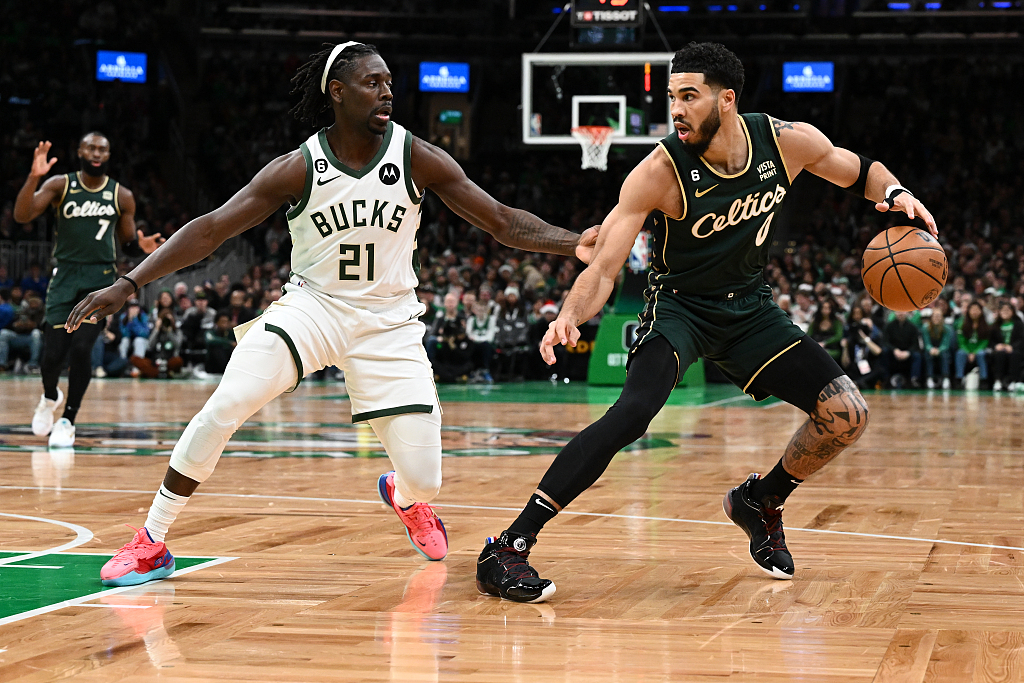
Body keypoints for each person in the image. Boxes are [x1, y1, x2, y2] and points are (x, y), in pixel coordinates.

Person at [65, 42, 595, 587]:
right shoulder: (298, 167)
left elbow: (502, 221)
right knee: (226, 403)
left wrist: (574, 242)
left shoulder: (417, 156)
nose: (387, 91)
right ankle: (152, 541)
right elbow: (211, 229)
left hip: (389, 320)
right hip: (312, 308)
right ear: (337, 93)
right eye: (372, 83)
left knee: (427, 480)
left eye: (390, 81)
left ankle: (406, 498)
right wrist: (129, 284)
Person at [475, 41, 937, 603]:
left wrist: (896, 192)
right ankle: (509, 544)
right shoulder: (657, 172)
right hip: (680, 309)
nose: (676, 109)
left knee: (846, 415)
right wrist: (569, 315)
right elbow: (603, 267)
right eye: (671, 97)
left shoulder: (786, 142)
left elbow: (858, 170)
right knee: (632, 414)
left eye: (688, 96)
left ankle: (761, 500)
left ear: (727, 100)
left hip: (749, 309)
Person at [13, 133, 163, 447]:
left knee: (82, 349)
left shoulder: (122, 196)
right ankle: (50, 396)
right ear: (80, 150)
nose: (97, 153)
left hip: (101, 279)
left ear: (109, 154)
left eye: (103, 148)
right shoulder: (59, 185)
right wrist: (33, 177)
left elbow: (126, 242)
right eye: (91, 147)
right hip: (65, 275)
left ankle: (68, 418)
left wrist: (142, 247)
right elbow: (22, 215)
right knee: (52, 355)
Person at [0, 291, 44, 373]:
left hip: (31, 338)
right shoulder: (21, 309)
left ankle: (32, 365)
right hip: (18, 336)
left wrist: (33, 325)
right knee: (4, 333)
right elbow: (10, 325)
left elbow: (42, 327)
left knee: (36, 333)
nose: (33, 302)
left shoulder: (42, 312)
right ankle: (2, 364)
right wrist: (16, 325)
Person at [882, 310, 923, 388]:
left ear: (907, 313)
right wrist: (894, 350)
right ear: (894, 313)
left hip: (907, 353)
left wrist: (908, 352)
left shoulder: (912, 327)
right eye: (898, 311)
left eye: (902, 311)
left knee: (917, 355)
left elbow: (915, 344)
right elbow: (885, 342)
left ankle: (914, 379)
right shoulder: (889, 326)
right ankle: (885, 378)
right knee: (885, 352)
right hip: (893, 352)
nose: (900, 313)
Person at [989, 301, 1023, 392]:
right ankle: (998, 381)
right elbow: (990, 341)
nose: (1005, 312)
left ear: (1012, 312)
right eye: (1003, 310)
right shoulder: (995, 325)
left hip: (1014, 349)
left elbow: (1021, 339)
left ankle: (1013, 381)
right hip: (1000, 350)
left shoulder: (1019, 324)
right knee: (999, 355)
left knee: (1015, 355)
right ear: (999, 312)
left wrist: (1012, 347)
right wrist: (996, 346)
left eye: (1008, 310)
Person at [955, 301, 989, 388]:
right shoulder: (962, 324)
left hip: (978, 349)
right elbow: (961, 341)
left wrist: (975, 352)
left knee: (981, 354)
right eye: (972, 309)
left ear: (981, 311)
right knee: (960, 353)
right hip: (966, 349)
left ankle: (983, 380)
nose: (974, 312)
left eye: (977, 309)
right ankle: (959, 378)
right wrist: (968, 352)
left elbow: (985, 341)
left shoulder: (985, 325)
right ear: (968, 311)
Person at [921, 307, 954, 389]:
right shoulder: (925, 328)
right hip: (931, 350)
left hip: (942, 350)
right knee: (927, 354)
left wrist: (939, 350)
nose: (937, 318)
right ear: (931, 317)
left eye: (939, 316)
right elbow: (926, 342)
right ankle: (929, 378)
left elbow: (946, 344)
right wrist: (931, 349)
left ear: (942, 317)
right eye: (935, 316)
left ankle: (946, 378)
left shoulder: (947, 329)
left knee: (945, 355)